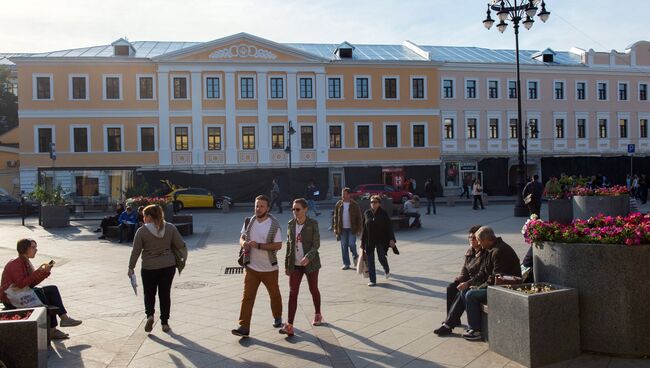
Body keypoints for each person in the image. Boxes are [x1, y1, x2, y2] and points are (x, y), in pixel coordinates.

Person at [1, 238, 82, 340]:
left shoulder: (25, 262)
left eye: (36, 247)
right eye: (33, 247)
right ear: (24, 249)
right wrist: (38, 271)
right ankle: (53, 329)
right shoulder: (15, 263)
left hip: (20, 294)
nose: (36, 250)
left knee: (51, 289)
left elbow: (31, 284)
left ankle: (63, 319)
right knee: (43, 295)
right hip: (10, 299)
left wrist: (44, 272)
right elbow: (21, 284)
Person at [128, 205, 187, 333]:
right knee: (165, 294)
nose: (143, 218)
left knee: (149, 293)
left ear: (149, 217)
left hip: (149, 267)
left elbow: (135, 252)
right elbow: (181, 244)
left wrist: (131, 267)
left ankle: (150, 316)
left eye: (144, 216)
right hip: (168, 266)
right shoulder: (170, 228)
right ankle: (164, 323)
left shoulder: (142, 231)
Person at [232, 195, 283, 337]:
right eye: (256, 206)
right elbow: (241, 238)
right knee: (247, 297)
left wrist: (260, 246)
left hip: (269, 269)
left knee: (274, 295)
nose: (258, 209)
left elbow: (278, 245)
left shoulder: (274, 225)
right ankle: (243, 327)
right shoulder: (249, 221)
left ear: (267, 208)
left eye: (261, 206)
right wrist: (244, 244)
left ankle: (277, 316)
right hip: (251, 267)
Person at [461, 226, 521, 341]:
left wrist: (478, 287)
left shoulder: (499, 251)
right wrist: (469, 283)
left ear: (486, 240)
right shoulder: (491, 249)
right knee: (464, 291)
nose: (478, 243)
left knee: (471, 295)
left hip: (506, 286)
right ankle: (473, 326)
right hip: (496, 284)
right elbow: (484, 272)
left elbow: (495, 277)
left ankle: (476, 330)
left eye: (479, 240)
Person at [279, 198, 322, 336]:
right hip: (295, 265)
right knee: (293, 293)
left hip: (311, 264)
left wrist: (308, 257)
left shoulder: (312, 224)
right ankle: (290, 324)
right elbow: (289, 246)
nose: (294, 212)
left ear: (305, 209)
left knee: (313, 289)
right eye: (293, 209)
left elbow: (316, 245)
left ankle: (318, 313)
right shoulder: (291, 224)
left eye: (297, 209)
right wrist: (287, 264)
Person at [434, 225, 485, 336]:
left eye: (474, 238)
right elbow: (465, 268)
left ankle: (448, 324)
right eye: (470, 237)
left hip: (478, 282)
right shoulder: (470, 251)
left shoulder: (485, 253)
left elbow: (482, 274)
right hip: (469, 280)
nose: (471, 240)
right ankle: (453, 320)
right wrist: (461, 277)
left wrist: (467, 283)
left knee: (462, 291)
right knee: (452, 287)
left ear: (480, 239)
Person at [361, 195, 398, 287]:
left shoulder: (383, 213)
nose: (373, 204)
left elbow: (389, 227)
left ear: (379, 203)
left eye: (375, 202)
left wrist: (391, 239)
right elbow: (364, 228)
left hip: (381, 239)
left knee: (381, 257)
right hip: (369, 240)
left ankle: (386, 268)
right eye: (371, 202)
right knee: (370, 260)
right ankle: (372, 280)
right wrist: (362, 242)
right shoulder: (367, 213)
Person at [333, 188, 362, 270]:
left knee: (351, 244)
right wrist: (335, 228)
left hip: (352, 228)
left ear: (349, 194)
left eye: (345, 194)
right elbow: (335, 217)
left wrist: (359, 229)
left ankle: (355, 256)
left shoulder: (354, 204)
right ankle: (346, 264)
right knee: (344, 246)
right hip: (342, 229)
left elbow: (359, 217)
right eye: (342, 194)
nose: (343, 195)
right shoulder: (339, 204)